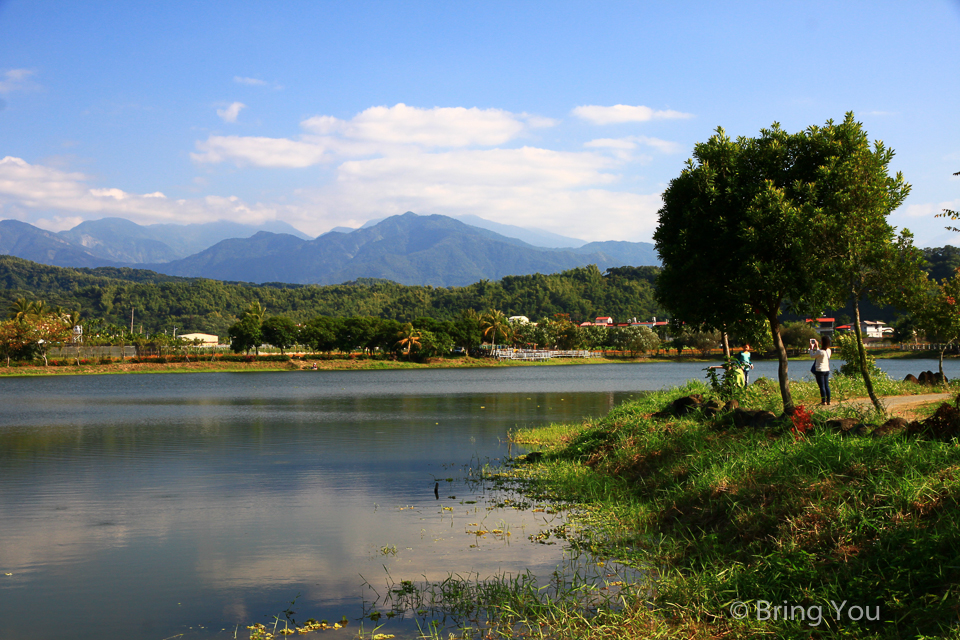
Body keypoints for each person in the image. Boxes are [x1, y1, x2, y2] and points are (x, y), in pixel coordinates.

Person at [809, 335, 832, 405]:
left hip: (820, 370)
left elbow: (812, 355)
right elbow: (819, 353)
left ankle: (823, 401)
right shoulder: (829, 350)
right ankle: (828, 400)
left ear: (823, 342)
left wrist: (811, 348)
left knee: (821, 386)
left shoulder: (820, 352)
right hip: (826, 370)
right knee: (826, 385)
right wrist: (817, 347)